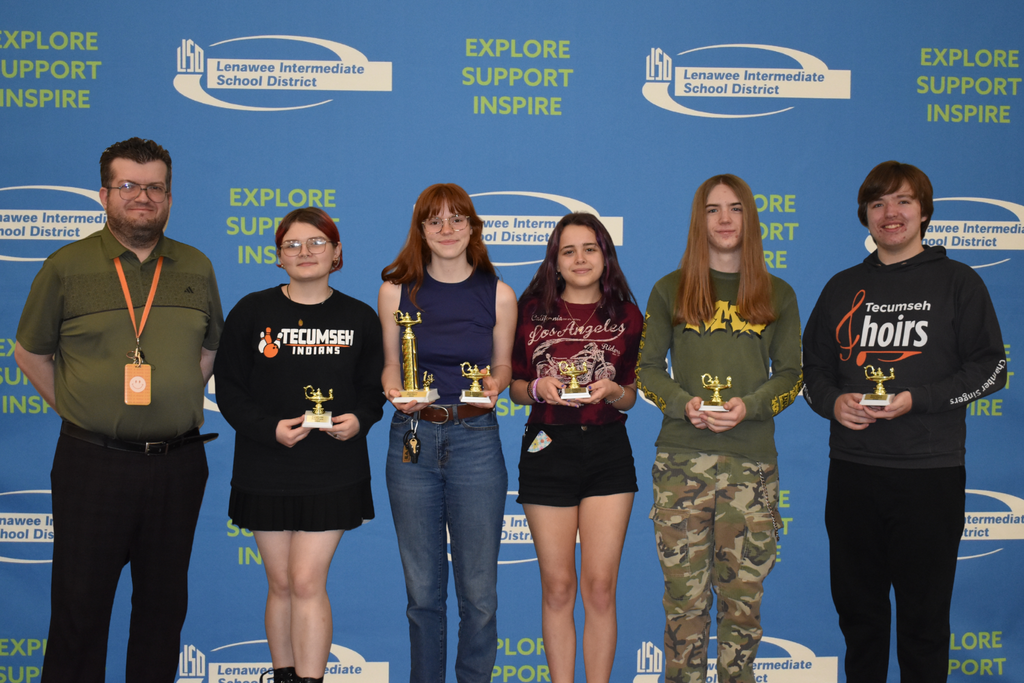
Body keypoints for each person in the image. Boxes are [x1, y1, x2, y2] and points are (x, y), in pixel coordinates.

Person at [13, 137, 223, 683]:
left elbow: (209, 349)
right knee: (80, 611)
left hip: (178, 464)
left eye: (156, 187)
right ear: (103, 194)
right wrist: (85, 409)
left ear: (170, 197)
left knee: (162, 611)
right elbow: (30, 352)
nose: (143, 197)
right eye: (128, 186)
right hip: (93, 464)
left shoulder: (196, 265)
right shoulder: (65, 266)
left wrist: (171, 401)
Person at [802, 161, 1006, 682]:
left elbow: (993, 370)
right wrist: (833, 403)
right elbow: (811, 372)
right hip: (852, 475)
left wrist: (919, 398)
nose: (891, 214)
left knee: (924, 624)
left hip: (929, 476)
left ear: (924, 212)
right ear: (865, 216)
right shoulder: (841, 288)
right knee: (861, 621)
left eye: (903, 202)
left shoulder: (959, 282)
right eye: (878, 204)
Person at [636, 174, 802, 683]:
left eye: (735, 208)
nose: (725, 219)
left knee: (742, 606)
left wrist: (749, 406)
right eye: (712, 209)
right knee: (683, 606)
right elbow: (646, 370)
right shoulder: (670, 289)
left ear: (750, 217)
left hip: (751, 467)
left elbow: (793, 377)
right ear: (698, 219)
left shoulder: (777, 293)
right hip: (681, 463)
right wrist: (685, 404)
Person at [214, 207, 385, 683]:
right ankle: (285, 676)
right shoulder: (252, 311)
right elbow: (228, 387)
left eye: (316, 243)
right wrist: (268, 429)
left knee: (308, 581)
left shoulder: (359, 317)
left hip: (333, 469)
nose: (305, 252)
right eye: (293, 244)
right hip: (265, 466)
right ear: (278, 257)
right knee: (281, 582)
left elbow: (375, 389)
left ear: (337, 253)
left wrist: (361, 420)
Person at [378, 183, 517, 683]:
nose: (447, 229)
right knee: (422, 594)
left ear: (473, 228)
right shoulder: (394, 290)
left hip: (476, 437)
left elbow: (502, 363)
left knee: (479, 595)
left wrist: (496, 384)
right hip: (411, 438)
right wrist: (397, 393)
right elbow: (391, 367)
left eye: (457, 219)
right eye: (434, 220)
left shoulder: (498, 293)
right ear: (420, 230)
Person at [509, 213, 642, 683]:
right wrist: (538, 387)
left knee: (601, 589)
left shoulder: (627, 315)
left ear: (606, 256)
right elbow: (514, 389)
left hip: (608, 447)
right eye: (569, 250)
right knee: (559, 587)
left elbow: (630, 394)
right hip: (548, 446)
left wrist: (611, 391)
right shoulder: (529, 312)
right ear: (555, 261)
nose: (581, 258)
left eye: (590, 248)